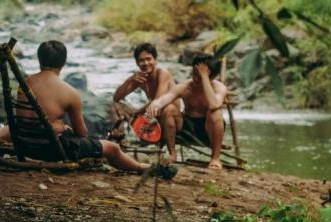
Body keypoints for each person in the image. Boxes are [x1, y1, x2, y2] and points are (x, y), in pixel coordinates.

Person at [17, 40, 150, 173]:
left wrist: (59, 126)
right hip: (50, 149)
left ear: (39, 59)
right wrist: (63, 128)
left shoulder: (24, 83)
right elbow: (81, 133)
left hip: (23, 143)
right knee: (112, 148)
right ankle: (140, 167)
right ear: (64, 62)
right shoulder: (70, 92)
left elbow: (30, 119)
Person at [146, 54, 228, 170]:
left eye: (199, 76)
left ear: (212, 76)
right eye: (194, 74)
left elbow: (213, 105)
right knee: (169, 109)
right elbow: (166, 98)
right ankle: (172, 154)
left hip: (209, 129)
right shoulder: (185, 86)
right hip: (186, 126)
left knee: (215, 112)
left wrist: (204, 77)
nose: (195, 79)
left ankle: (215, 158)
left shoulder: (219, 88)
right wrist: (155, 104)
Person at [110, 42, 181, 153]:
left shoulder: (162, 73)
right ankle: (119, 140)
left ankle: (172, 153)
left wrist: (136, 113)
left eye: (149, 59)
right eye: (141, 60)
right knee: (116, 105)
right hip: (153, 117)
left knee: (168, 108)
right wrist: (130, 80)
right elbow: (116, 97)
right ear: (137, 63)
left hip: (172, 118)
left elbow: (157, 101)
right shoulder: (141, 77)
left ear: (155, 60)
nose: (145, 63)